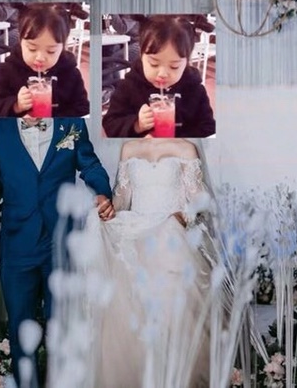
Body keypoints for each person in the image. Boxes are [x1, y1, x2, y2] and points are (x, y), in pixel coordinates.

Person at [0, 116, 114, 386]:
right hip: (17, 244)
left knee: (63, 326)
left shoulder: (72, 124)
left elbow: (90, 165)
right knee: (20, 328)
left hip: (61, 243)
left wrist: (102, 192)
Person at [89, 138, 214, 387]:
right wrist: (107, 209)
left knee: (170, 315)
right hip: (136, 239)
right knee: (129, 316)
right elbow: (122, 200)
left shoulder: (185, 148)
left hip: (170, 238)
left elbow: (200, 202)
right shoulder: (129, 148)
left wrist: (183, 216)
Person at [103, 15, 216, 138]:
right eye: (154, 64)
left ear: (186, 62)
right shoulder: (128, 87)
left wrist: (180, 142)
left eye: (174, 66)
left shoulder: (195, 90)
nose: (162, 74)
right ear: (141, 55)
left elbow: (208, 128)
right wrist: (137, 124)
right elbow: (110, 124)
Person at [0, 3, 90, 118]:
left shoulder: (71, 74)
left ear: (63, 47)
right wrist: (16, 105)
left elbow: (82, 107)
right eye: (32, 49)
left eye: (51, 51)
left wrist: (55, 120)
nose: (40, 58)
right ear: (20, 41)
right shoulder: (7, 71)